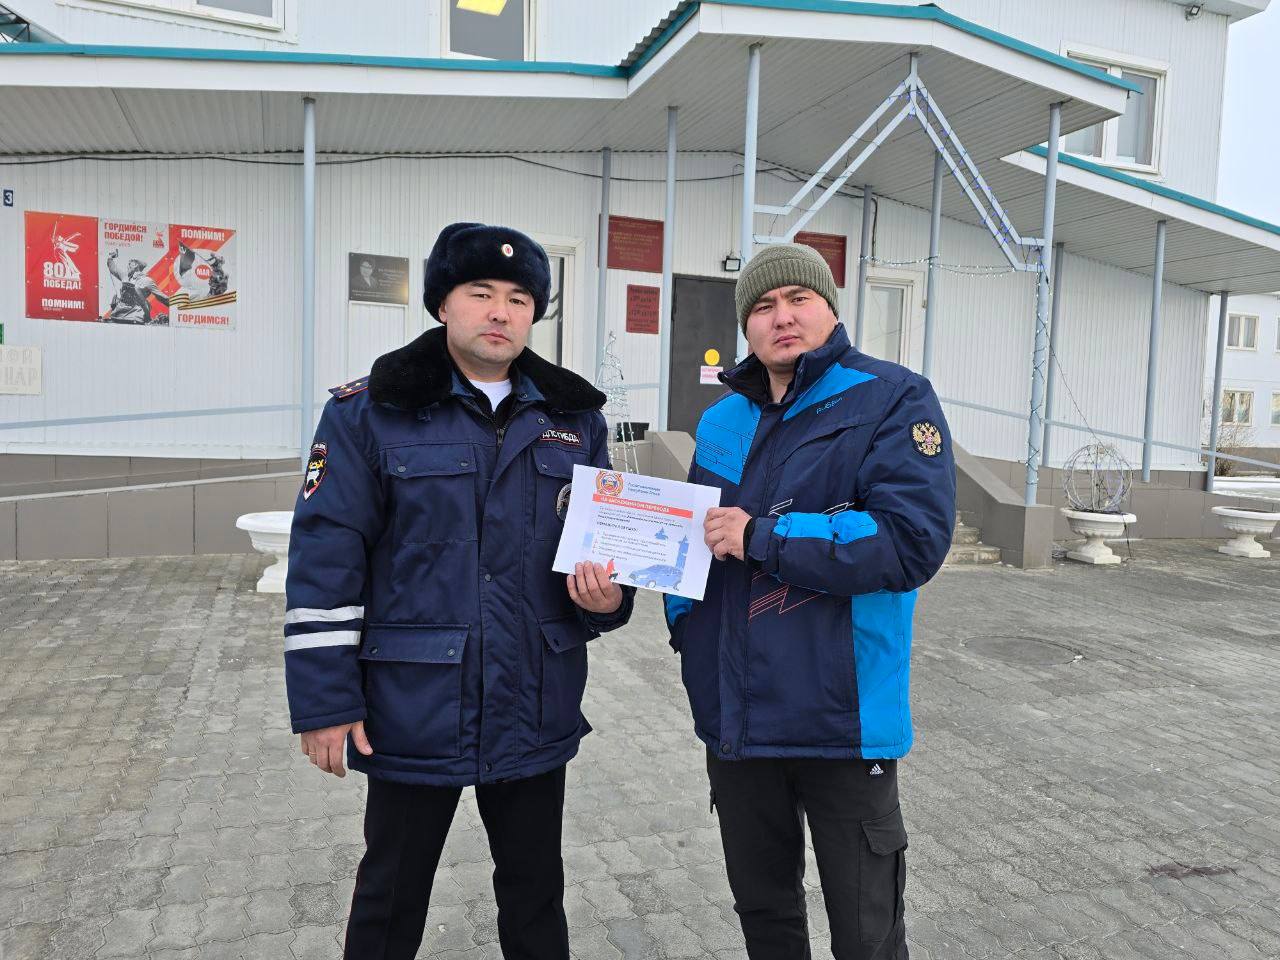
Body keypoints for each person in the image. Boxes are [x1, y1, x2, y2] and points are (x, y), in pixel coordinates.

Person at [284, 221, 635, 960]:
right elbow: (326, 556)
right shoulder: (369, 411)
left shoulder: (575, 419)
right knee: (390, 897)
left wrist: (607, 601)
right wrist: (325, 701)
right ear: (443, 303)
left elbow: (603, 552)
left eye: (519, 299)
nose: (500, 312)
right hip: (414, 703)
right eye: (480, 293)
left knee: (536, 898)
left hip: (533, 699)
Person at [665, 243, 956, 960]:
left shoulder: (892, 397)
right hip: (738, 720)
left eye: (799, 299)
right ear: (747, 326)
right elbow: (693, 541)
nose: (782, 317)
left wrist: (764, 535)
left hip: (841, 721)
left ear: (830, 307)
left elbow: (909, 542)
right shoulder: (722, 420)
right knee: (766, 919)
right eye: (763, 306)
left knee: (867, 934)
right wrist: (686, 629)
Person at [105, 251, 168, 324]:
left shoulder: (147, 281)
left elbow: (162, 297)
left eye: (129, 264)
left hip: (135, 318)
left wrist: (175, 308)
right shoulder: (125, 276)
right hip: (117, 316)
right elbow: (113, 269)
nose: (127, 267)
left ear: (136, 265)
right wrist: (110, 258)